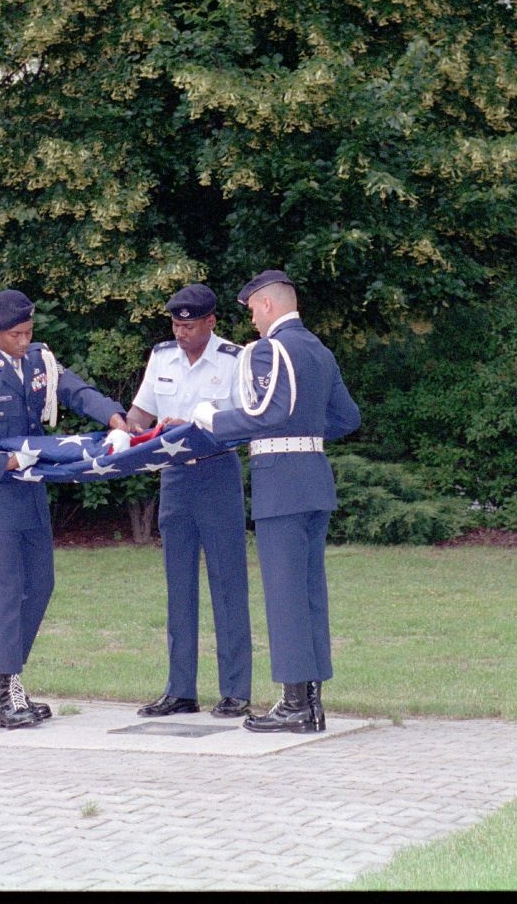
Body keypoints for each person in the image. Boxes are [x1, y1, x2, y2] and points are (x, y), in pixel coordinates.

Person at [0, 289, 128, 729]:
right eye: (16, 335)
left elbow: (76, 391)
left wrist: (114, 417)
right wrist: (1, 462)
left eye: (28, 332)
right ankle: (9, 694)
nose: (25, 341)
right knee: (7, 597)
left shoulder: (41, 360)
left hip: (32, 497)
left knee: (41, 586)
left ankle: (0, 678)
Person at [191, 270, 360, 733]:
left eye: (251, 309)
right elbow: (346, 417)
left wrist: (213, 419)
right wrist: (305, 430)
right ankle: (312, 701)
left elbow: (268, 411)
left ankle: (293, 704)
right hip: (313, 480)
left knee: (285, 596)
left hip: (280, 483)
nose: (251, 319)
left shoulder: (270, 349)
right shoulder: (319, 351)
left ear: (267, 305)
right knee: (308, 594)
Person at [124, 284, 253, 719]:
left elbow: (245, 423)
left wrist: (195, 425)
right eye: (176, 325)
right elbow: (141, 412)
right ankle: (180, 689)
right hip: (174, 477)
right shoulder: (161, 357)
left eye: (190, 325)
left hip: (216, 471)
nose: (181, 333)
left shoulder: (235, 360)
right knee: (179, 585)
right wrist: (125, 430)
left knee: (227, 583)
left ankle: (236, 689)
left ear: (211, 322)